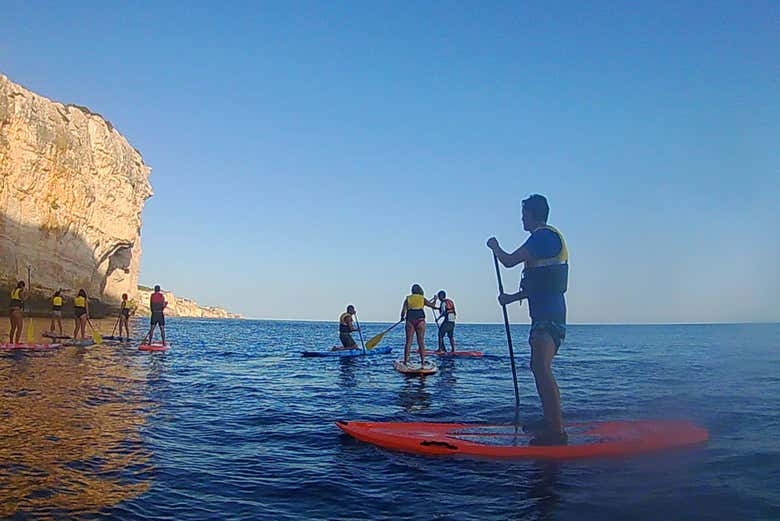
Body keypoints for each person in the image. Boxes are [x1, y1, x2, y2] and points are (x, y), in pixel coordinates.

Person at [487, 194, 569, 446]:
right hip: (544, 315)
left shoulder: (543, 237)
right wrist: (511, 298)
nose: (522, 218)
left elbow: (510, 261)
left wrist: (495, 247)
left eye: (524, 213)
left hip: (549, 316)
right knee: (537, 366)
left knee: (542, 367)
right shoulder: (543, 240)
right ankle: (549, 421)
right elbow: (539, 284)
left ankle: (557, 432)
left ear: (533, 213)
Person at [400, 284, 437, 365]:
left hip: (410, 320)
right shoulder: (422, 298)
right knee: (421, 342)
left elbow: (403, 311)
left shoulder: (408, 298)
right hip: (420, 320)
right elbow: (433, 306)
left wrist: (402, 317)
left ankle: (406, 361)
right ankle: (423, 361)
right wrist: (435, 299)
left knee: (408, 342)